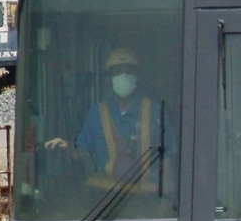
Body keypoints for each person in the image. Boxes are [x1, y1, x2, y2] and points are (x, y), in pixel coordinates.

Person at [45, 47, 171, 189]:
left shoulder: (154, 111)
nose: (124, 76)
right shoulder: (97, 113)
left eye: (129, 71)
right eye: (117, 72)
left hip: (147, 199)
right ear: (109, 79)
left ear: (137, 76)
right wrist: (66, 146)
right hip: (106, 200)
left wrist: (165, 199)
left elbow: (167, 157)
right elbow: (84, 154)